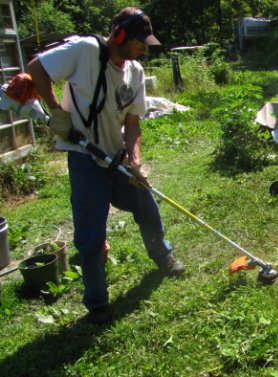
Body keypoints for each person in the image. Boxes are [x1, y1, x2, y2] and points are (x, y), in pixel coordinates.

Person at [28, 7, 186, 325]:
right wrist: (57, 111)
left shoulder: (135, 72)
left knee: (148, 207)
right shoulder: (85, 50)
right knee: (90, 234)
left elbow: (133, 124)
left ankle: (163, 257)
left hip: (117, 158)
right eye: (140, 41)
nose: (144, 47)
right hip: (85, 158)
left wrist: (136, 162)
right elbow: (36, 68)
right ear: (119, 35)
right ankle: (98, 304)